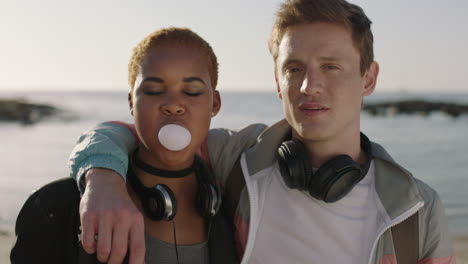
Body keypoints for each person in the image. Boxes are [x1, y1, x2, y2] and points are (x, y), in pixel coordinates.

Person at [66, 0, 456, 263]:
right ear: (276, 80)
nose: (308, 86)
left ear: (368, 78)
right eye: (294, 68)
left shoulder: (416, 210)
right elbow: (131, 132)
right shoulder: (238, 157)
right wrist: (103, 179)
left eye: (331, 67)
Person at [11, 27, 238, 264]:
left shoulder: (238, 206)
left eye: (191, 91)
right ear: (131, 102)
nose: (173, 105)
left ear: (215, 103)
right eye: (153, 90)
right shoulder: (55, 206)